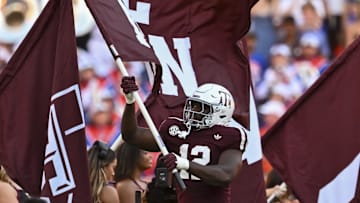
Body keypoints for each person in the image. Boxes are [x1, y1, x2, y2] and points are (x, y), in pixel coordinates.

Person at [120, 76, 248, 203]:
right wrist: (130, 101)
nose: (193, 111)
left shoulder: (229, 136)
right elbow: (131, 135)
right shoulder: (178, 130)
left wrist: (185, 164)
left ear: (220, 112)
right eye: (193, 105)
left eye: (201, 107)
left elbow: (225, 174)